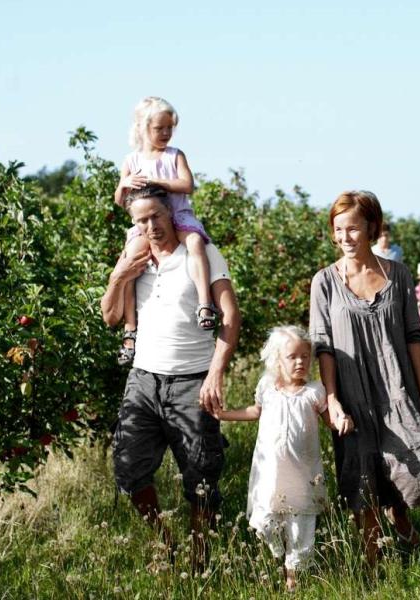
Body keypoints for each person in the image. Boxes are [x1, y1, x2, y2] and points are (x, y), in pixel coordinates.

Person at [100, 184, 241, 572]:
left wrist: (215, 373)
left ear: (171, 214)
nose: (151, 226)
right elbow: (111, 317)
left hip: (192, 380)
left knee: (201, 477)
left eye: (156, 217)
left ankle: (201, 558)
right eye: (141, 221)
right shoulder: (135, 258)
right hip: (143, 380)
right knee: (128, 469)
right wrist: (120, 275)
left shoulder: (201, 253)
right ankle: (165, 542)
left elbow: (230, 316)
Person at [309, 190, 420, 567]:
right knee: (360, 473)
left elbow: (416, 338)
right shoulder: (324, 282)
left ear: (371, 228)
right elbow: (324, 346)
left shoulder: (396, 275)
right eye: (338, 230)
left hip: (398, 387)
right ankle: (371, 563)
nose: (345, 237)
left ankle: (401, 524)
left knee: (411, 462)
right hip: (351, 394)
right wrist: (332, 401)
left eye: (353, 229)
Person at [215, 326, 338, 592]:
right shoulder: (267, 387)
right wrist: (224, 415)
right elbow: (255, 411)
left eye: (305, 356)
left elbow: (331, 422)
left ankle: (293, 572)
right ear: (277, 360)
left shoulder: (315, 392)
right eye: (293, 356)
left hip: (303, 475)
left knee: (300, 524)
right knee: (267, 520)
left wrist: (345, 420)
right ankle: (278, 555)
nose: (300, 362)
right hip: (270, 472)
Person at [113, 96, 218, 366]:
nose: (166, 133)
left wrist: (155, 181)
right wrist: (125, 182)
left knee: (194, 242)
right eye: (160, 128)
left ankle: (204, 304)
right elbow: (118, 200)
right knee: (130, 263)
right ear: (143, 128)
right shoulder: (132, 160)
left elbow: (188, 185)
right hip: (148, 223)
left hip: (178, 214)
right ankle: (130, 330)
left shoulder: (174, 155)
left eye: (170, 128)